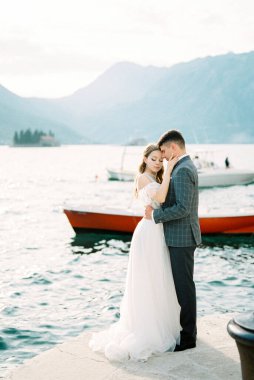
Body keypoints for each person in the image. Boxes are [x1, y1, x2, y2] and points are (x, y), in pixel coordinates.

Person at [89, 144, 181, 361]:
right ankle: (146, 326)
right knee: (146, 278)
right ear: (146, 159)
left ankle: (163, 322)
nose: (158, 162)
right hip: (148, 232)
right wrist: (168, 171)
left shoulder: (157, 179)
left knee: (159, 276)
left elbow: (163, 200)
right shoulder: (142, 178)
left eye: (161, 159)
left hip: (158, 230)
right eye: (154, 159)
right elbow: (159, 198)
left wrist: (166, 175)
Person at [145, 130, 201, 352]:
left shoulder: (183, 170)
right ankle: (186, 331)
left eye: (165, 151)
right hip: (180, 236)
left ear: (174, 148)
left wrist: (156, 215)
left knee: (184, 288)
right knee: (181, 287)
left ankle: (189, 338)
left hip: (182, 238)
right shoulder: (180, 168)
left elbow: (183, 208)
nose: (164, 156)